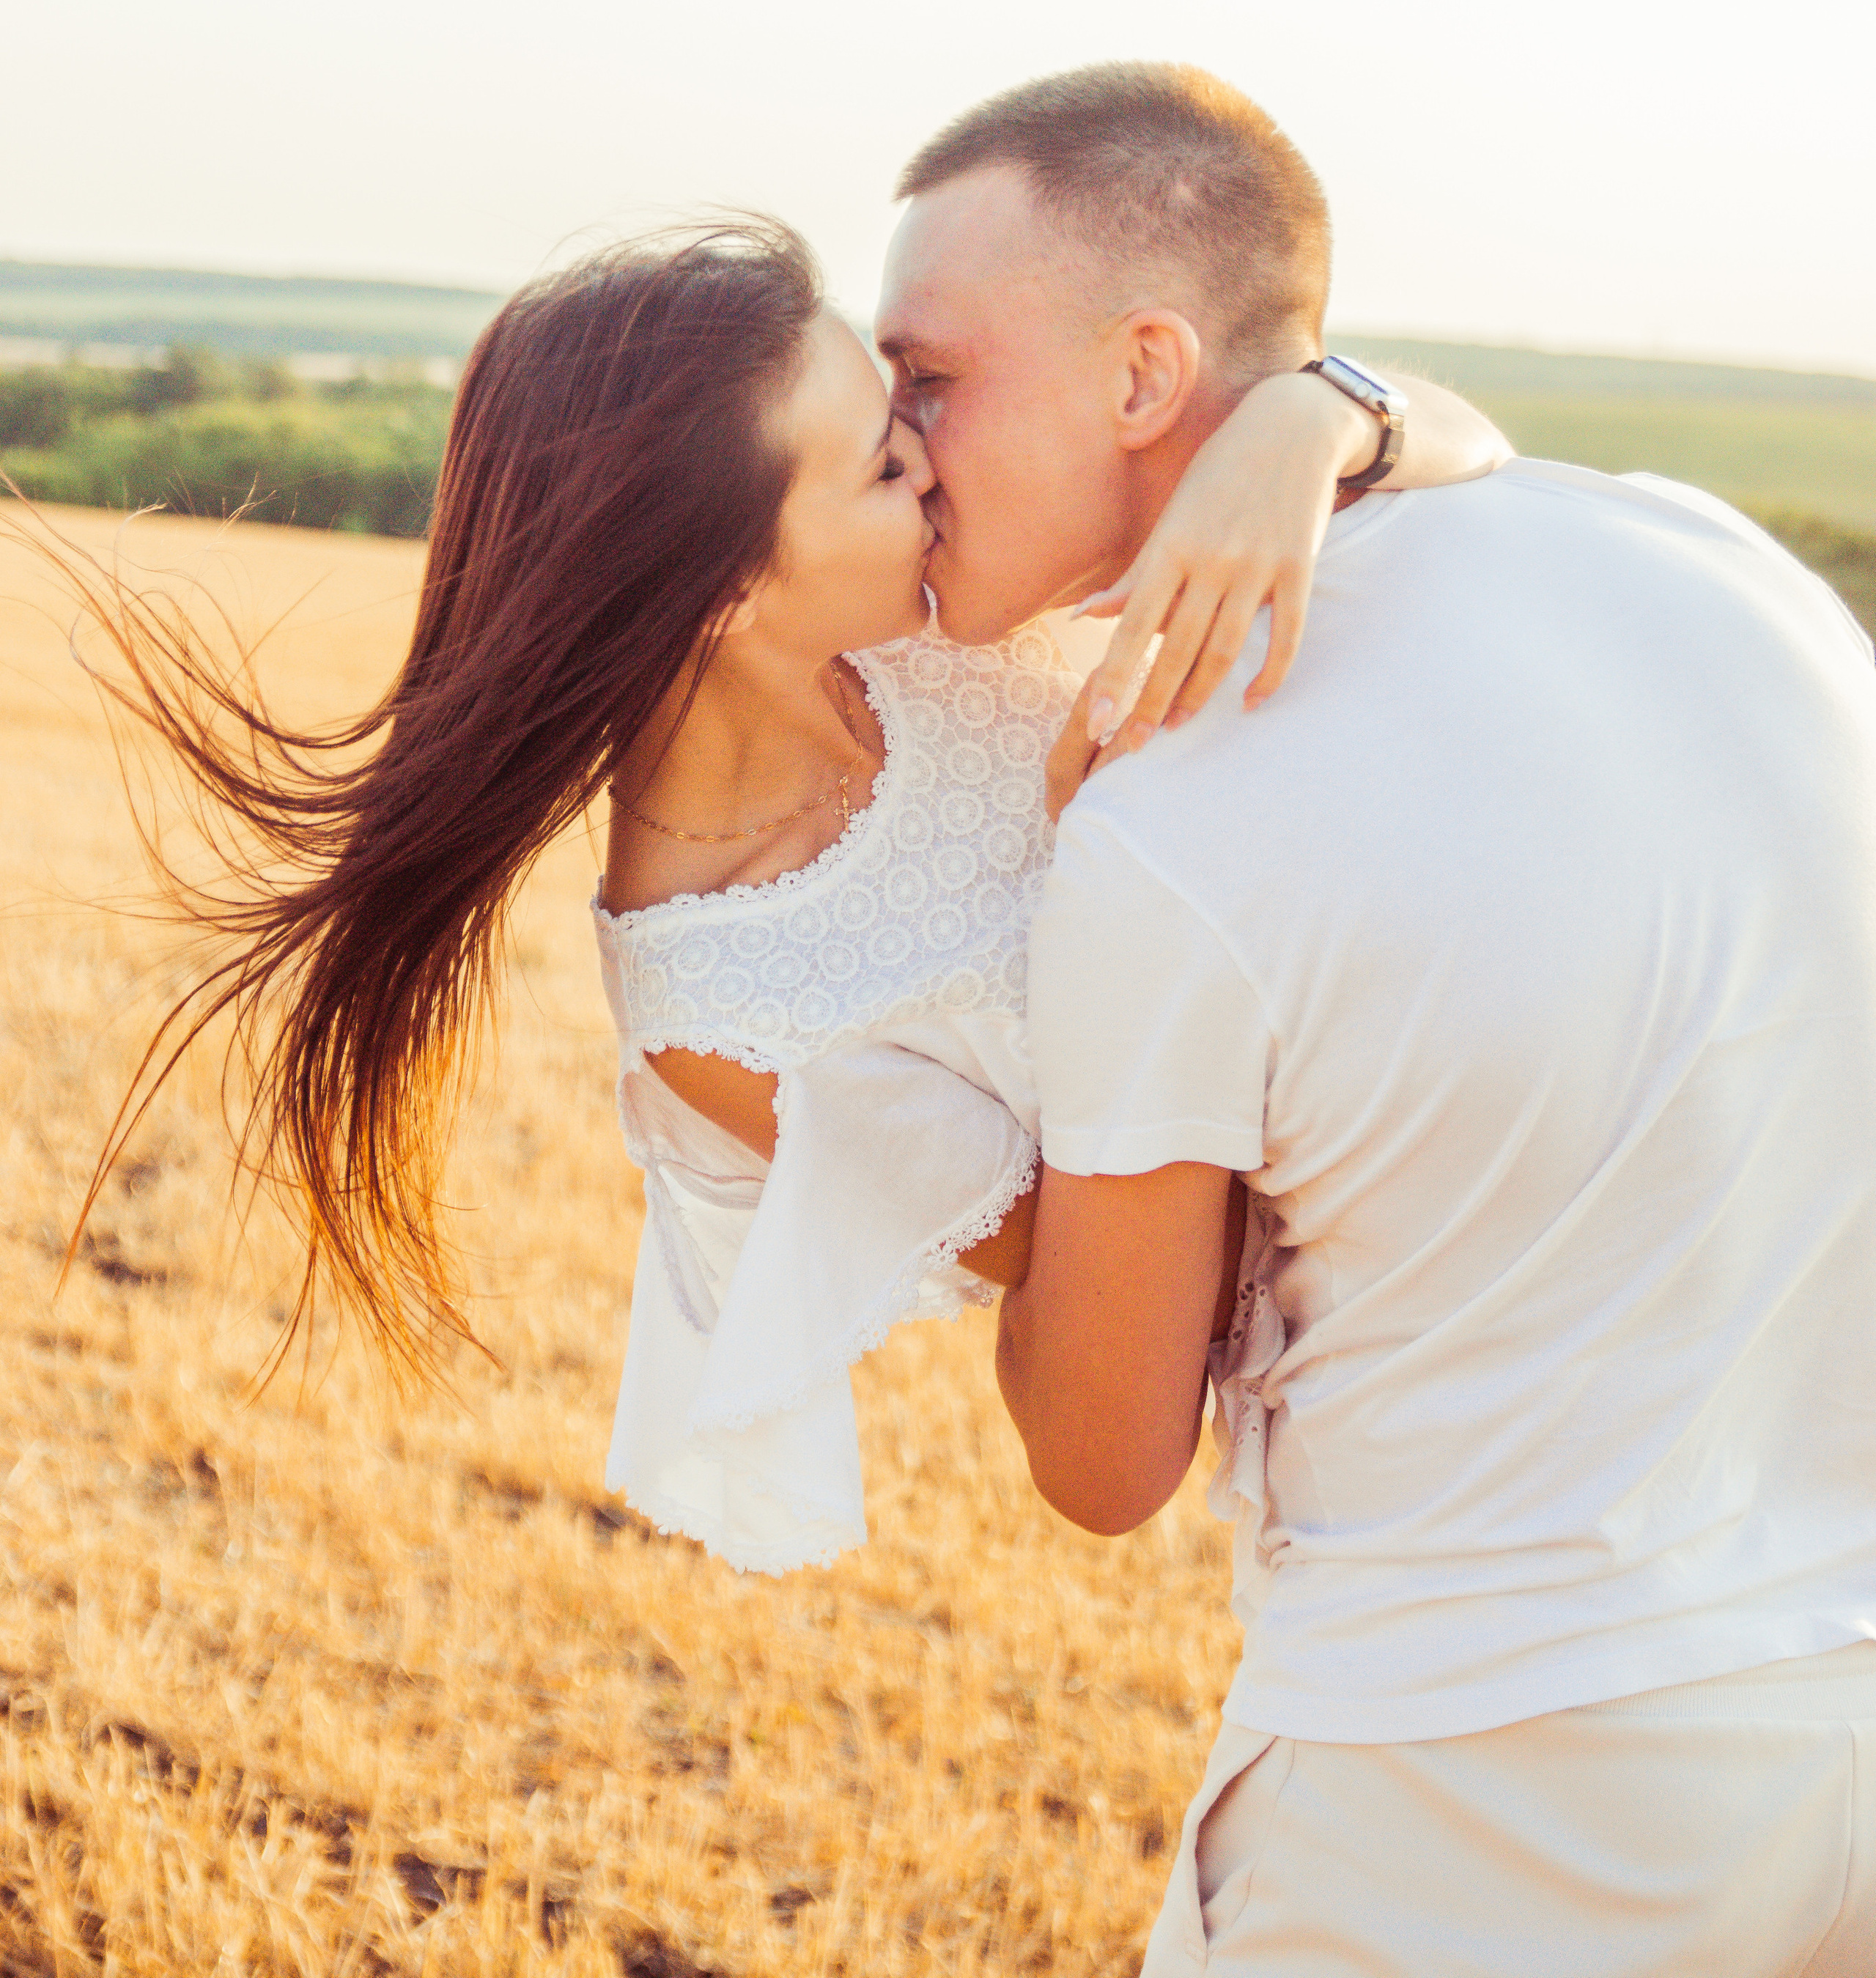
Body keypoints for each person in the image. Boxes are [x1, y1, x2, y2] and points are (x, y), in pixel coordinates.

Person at [25, 214, 1501, 1573]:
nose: (934, 461)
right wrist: (1115, 874)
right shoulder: (722, 1013)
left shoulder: (943, 605)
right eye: (878, 458)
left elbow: (1475, 449)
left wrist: (1313, 416)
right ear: (724, 593)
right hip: (1418, 1339)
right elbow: (1104, 1313)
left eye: (907, 403)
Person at [876, 61, 1876, 1977]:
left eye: (930, 373)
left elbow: (1101, 1464)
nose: (899, 435)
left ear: (1147, 375)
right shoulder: (1711, 557)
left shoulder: (1167, 822)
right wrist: (1342, 410)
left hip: (1481, 1801)